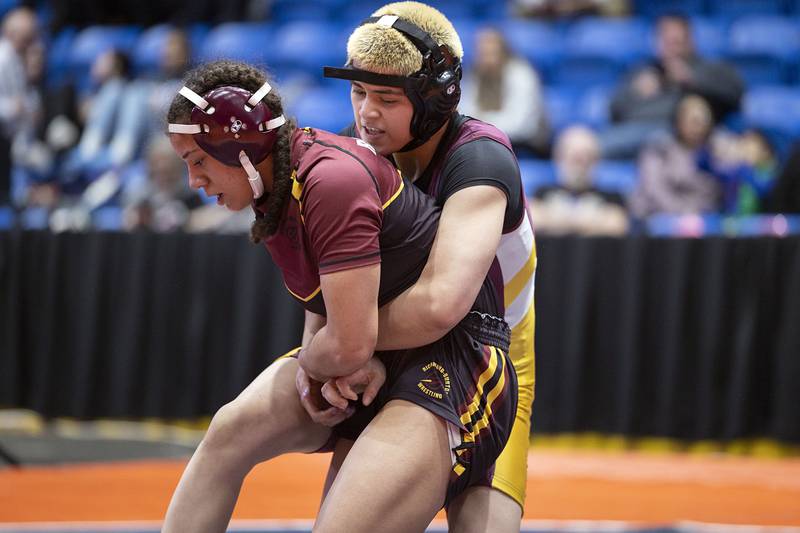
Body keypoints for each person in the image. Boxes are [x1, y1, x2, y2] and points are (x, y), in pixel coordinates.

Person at [162, 59, 517, 533]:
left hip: (456, 357)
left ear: (240, 147)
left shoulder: (331, 177)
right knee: (229, 431)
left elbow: (356, 338)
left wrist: (329, 359)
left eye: (198, 161)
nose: (194, 182)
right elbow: (326, 311)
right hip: (376, 348)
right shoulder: (275, 191)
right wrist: (335, 359)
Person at [324, 2, 536, 531]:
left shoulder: (480, 160)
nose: (366, 113)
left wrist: (343, 344)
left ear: (436, 98)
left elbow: (442, 304)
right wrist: (334, 351)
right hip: (391, 349)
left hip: (486, 360)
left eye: (387, 98)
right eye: (358, 93)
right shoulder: (360, 155)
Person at [602, 13, 744, 159]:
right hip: (638, 131)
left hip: (688, 134)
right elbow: (613, 110)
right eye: (666, 42)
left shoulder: (708, 69)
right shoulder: (644, 71)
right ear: (657, 43)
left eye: (678, 42)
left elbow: (735, 95)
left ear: (690, 42)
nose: (673, 49)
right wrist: (635, 92)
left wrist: (691, 81)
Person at [459, 26, 550, 157]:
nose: (487, 59)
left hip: (524, 146)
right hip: (483, 141)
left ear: (503, 51)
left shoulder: (521, 74)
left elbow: (518, 124)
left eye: (492, 52)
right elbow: (465, 115)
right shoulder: (474, 74)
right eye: (482, 53)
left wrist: (482, 122)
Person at [629, 94, 721, 218]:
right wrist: (681, 213)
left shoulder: (714, 151)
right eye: (694, 121)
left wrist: (694, 213)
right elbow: (653, 190)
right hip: (658, 217)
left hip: (699, 218)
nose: (698, 128)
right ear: (679, 121)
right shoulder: (659, 148)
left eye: (703, 122)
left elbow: (712, 192)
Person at [531, 125, 628, 235]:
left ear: (596, 160)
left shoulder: (612, 195)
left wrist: (557, 216)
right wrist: (591, 219)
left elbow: (617, 225)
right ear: (559, 158)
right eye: (574, 158)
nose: (580, 165)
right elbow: (533, 221)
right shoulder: (542, 191)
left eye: (587, 157)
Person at [0, 6, 39, 203]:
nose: (32, 39)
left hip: (13, 143)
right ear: (11, 32)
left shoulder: (17, 59)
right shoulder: (2, 58)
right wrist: (12, 108)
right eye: (28, 35)